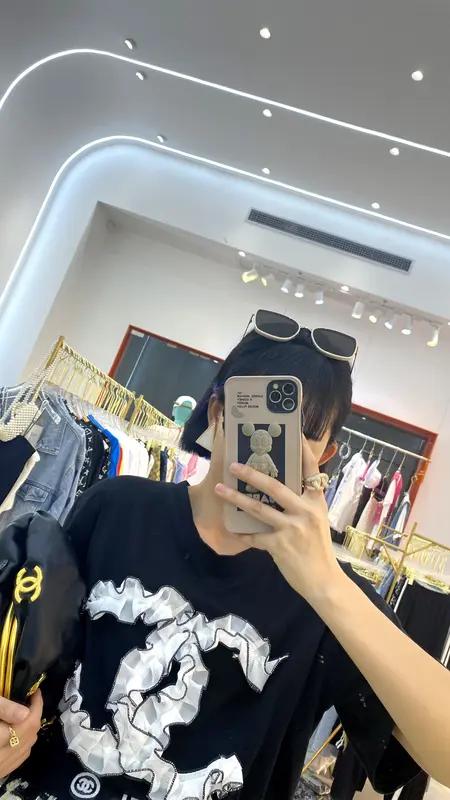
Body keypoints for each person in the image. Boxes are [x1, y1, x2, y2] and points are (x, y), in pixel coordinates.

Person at [0, 317, 447, 800]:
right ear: (217, 413)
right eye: (258, 418)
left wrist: (327, 584)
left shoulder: (332, 598)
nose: (270, 445)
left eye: (302, 434)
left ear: (325, 456)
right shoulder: (118, 507)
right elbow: (35, 655)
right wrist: (13, 730)